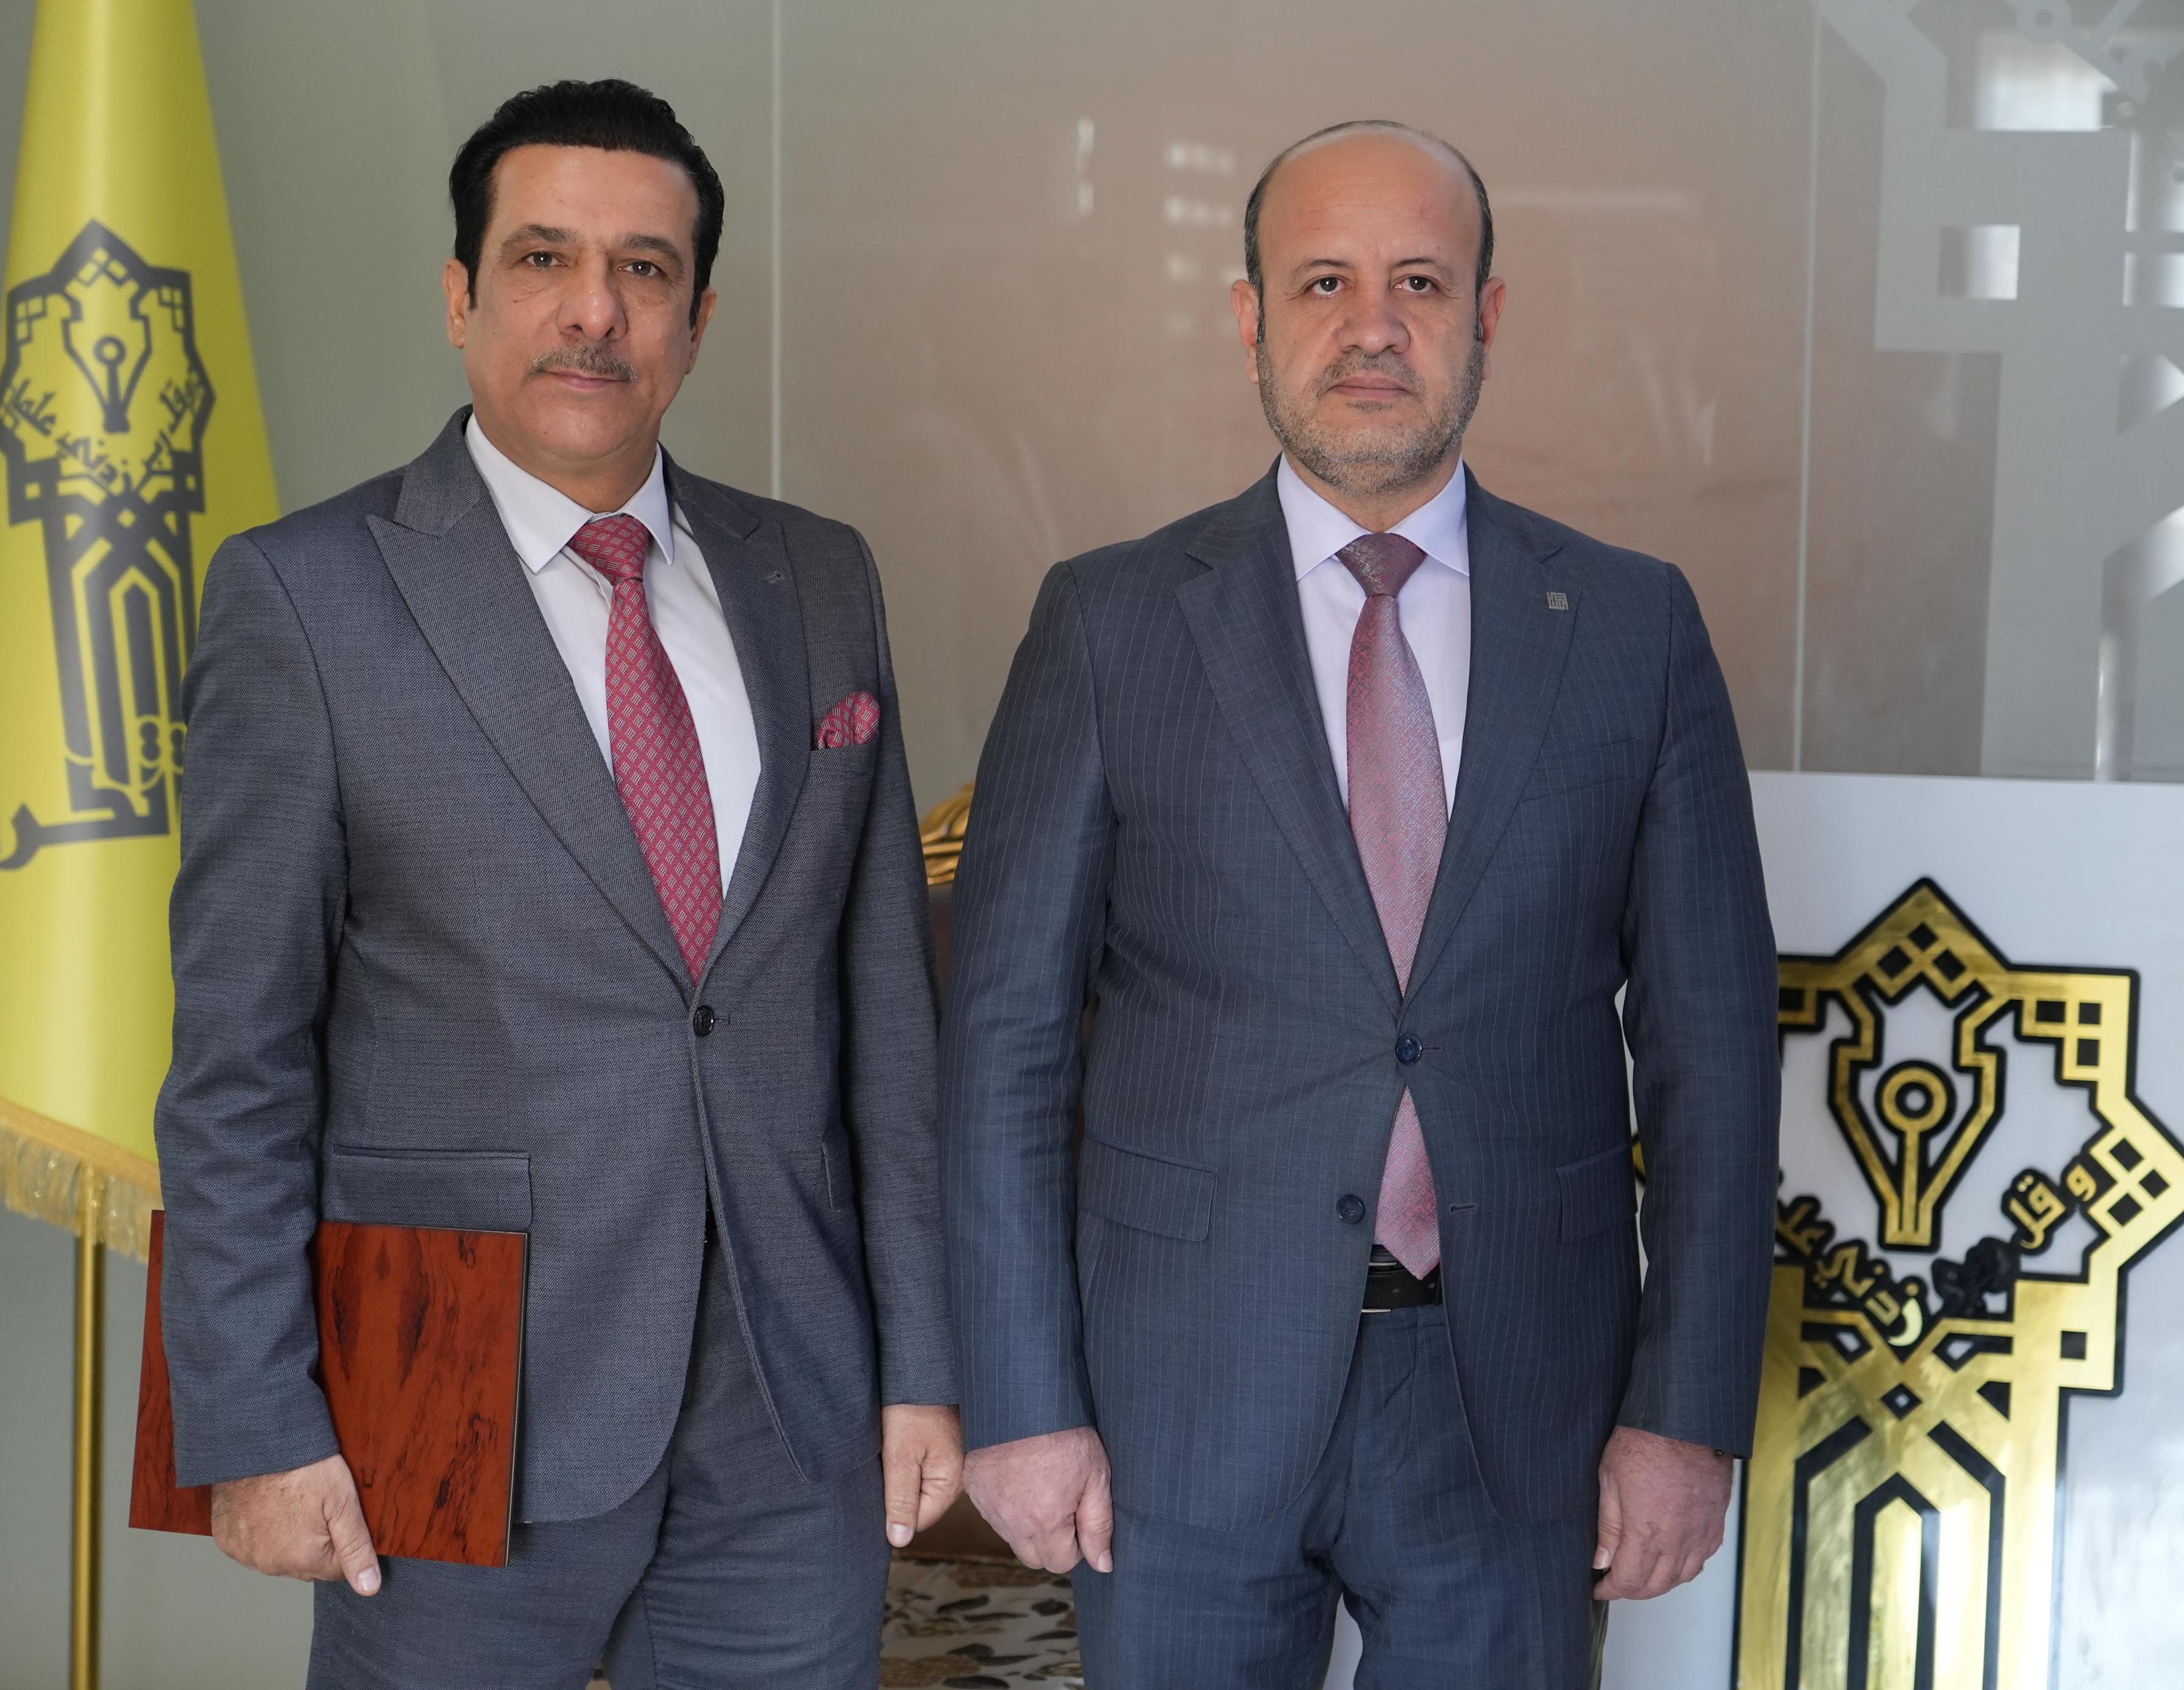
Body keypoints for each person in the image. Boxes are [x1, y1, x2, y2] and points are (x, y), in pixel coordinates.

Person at [941, 120, 1778, 1688]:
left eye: (1420, 283)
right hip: (1176, 1394)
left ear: (1488, 314)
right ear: (1250, 318)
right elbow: (1003, 1042)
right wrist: (1019, 1398)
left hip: (1515, 1405)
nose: (1371, 326)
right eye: (1322, 282)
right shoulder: (1111, 622)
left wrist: (1684, 1412)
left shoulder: (1631, 627)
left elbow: (1714, 1057)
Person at [155, 78, 961, 1689]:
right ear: (461, 296)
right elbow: (240, 1056)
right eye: (543, 258)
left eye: (645, 269)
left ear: (699, 318)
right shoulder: (305, 599)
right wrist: (251, 1419)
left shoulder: (819, 577)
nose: (596, 310)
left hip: (790, 1405)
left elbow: (885, 1015)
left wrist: (924, 1360)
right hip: (446, 1390)